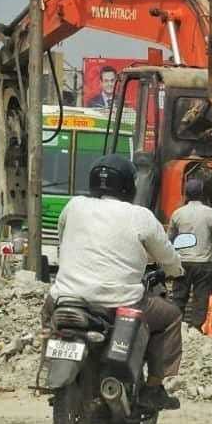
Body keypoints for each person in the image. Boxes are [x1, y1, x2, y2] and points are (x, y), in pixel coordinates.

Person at [45, 154, 186, 410]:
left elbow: (62, 239)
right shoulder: (141, 216)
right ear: (129, 186)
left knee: (48, 314)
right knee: (171, 317)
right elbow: (168, 257)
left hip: (67, 297)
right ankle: (154, 387)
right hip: (120, 302)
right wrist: (174, 269)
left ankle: (50, 360)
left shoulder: (73, 205)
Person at [167, 178, 212, 329]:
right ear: (202, 193)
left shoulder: (177, 214)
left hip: (182, 263)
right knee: (201, 298)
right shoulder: (211, 214)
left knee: (179, 297)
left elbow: (168, 239)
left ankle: (176, 328)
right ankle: (196, 329)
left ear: (186, 194)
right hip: (203, 264)